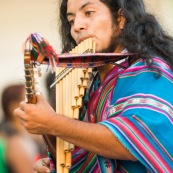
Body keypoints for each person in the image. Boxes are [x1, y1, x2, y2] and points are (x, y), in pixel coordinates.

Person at [14, 0, 173, 172]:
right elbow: (82, 150)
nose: (77, 26)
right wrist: (50, 137)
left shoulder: (151, 70)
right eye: (71, 20)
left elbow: (139, 138)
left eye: (89, 13)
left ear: (120, 18)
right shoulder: (93, 84)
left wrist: (53, 123)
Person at [0, 84, 47, 173]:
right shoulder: (14, 142)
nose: (35, 103)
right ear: (13, 106)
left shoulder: (31, 133)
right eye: (29, 100)